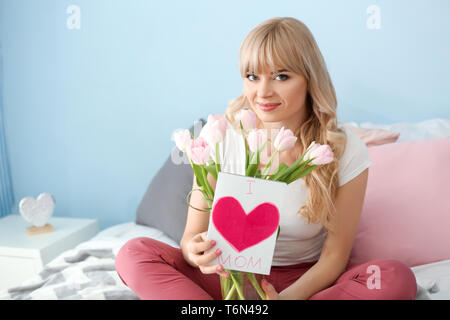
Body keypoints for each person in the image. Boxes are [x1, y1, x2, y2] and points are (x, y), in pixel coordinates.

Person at [115, 17, 418, 300]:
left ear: (309, 80)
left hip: (304, 283)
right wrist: (195, 253)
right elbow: (191, 238)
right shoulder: (219, 136)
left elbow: (334, 258)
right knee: (133, 252)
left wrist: (283, 300)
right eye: (252, 76)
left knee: (394, 277)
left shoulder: (344, 149)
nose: (263, 92)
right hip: (224, 277)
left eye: (281, 76)